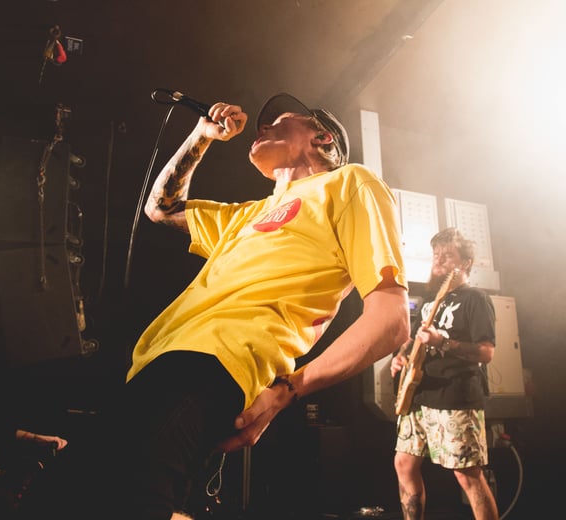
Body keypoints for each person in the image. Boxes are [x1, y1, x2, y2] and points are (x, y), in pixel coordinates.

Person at [112, 93, 411, 519]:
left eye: (280, 120)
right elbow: (160, 209)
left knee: (129, 499)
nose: (262, 127)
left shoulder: (349, 183)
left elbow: (392, 320)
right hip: (156, 361)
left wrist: (287, 391)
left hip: (219, 362)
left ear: (321, 136)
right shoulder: (246, 215)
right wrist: (201, 136)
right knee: (71, 494)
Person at [390, 227, 498, 520]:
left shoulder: (475, 299)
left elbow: (486, 352)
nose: (438, 260)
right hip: (420, 394)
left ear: (465, 263)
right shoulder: (428, 303)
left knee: (467, 475)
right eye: (436, 255)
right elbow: (413, 341)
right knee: (404, 464)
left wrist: (443, 342)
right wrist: (400, 358)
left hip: (455, 394)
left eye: (447, 255)